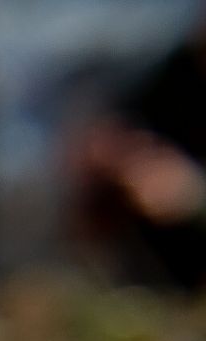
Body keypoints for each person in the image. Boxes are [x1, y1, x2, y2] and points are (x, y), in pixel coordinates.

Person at [73, 7, 206, 288]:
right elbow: (119, 128)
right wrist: (121, 155)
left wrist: (191, 192)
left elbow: (183, 188)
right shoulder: (173, 70)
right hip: (149, 274)